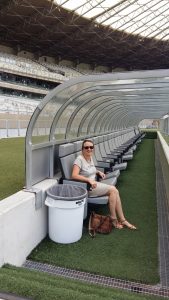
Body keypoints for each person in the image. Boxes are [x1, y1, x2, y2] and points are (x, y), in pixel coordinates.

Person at [72, 139, 136, 230]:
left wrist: (98, 172)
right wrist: (88, 181)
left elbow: (90, 170)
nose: (89, 149)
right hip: (87, 188)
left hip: (95, 184)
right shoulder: (79, 159)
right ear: (82, 149)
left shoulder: (89, 158)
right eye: (86, 147)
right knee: (113, 190)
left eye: (91, 147)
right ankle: (114, 220)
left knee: (115, 191)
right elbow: (74, 175)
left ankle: (122, 219)